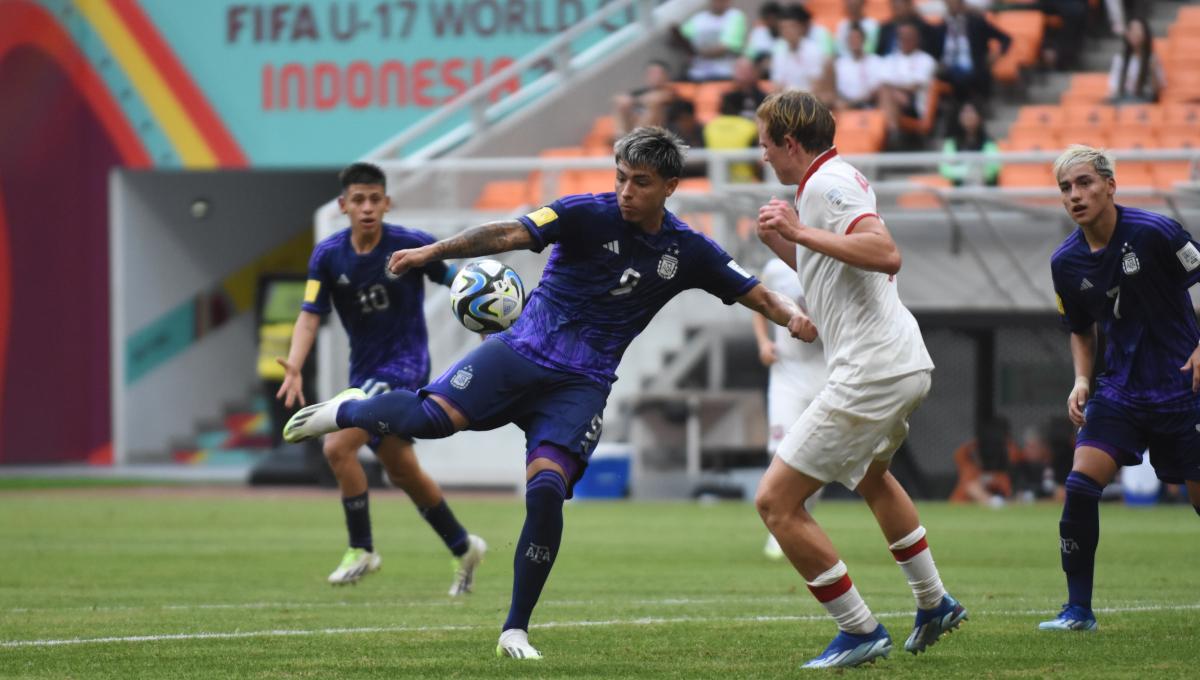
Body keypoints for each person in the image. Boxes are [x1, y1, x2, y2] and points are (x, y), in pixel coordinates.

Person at [284, 127, 814, 660]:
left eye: (641, 182)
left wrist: (793, 318)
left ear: (670, 186)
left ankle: (515, 629)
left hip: (582, 385)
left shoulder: (689, 250)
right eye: (621, 177)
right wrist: (433, 252)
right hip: (518, 352)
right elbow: (507, 234)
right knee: (427, 419)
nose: (626, 191)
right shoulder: (584, 212)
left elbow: (757, 292)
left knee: (544, 493)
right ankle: (345, 409)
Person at [753, 90, 966, 668]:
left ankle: (858, 629)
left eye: (768, 143)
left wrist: (796, 232)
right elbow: (841, 266)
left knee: (776, 503)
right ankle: (934, 600)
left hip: (871, 369)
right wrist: (787, 243)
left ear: (791, 143)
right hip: (900, 362)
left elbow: (884, 251)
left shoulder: (828, 183)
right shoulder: (823, 184)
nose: (764, 155)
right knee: (874, 479)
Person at [276, 162, 487, 591]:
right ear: (343, 206)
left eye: (375, 199)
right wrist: (295, 363)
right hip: (365, 370)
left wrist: (486, 314)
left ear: (387, 202)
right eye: (359, 200)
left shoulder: (409, 245)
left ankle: (363, 548)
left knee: (337, 445)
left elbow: (457, 282)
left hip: (404, 367)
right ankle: (463, 546)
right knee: (402, 471)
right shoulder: (328, 255)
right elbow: (310, 315)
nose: (368, 207)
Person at [1042, 145, 1200, 631]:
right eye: (1066, 187)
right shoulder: (1065, 263)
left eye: (1086, 182)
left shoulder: (1155, 232)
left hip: (1181, 386)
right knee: (1079, 484)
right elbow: (1079, 328)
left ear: (1111, 186)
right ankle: (1077, 610)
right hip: (1120, 388)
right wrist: (1082, 380)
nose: (1076, 195)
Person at [753, 256, 829, 559]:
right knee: (781, 452)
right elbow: (758, 302)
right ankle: (782, 528)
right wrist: (763, 343)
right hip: (787, 374)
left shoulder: (833, 261)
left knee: (817, 458)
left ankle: (797, 521)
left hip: (829, 374)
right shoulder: (774, 268)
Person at [949, 416, 1020, 505]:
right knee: (971, 482)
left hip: (990, 506)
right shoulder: (969, 463)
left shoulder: (1003, 474)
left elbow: (1016, 458)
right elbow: (971, 487)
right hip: (961, 507)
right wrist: (992, 501)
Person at [676, 0, 748, 81]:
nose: (718, 3)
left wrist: (697, 52)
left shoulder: (735, 16)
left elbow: (725, 48)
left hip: (724, 74)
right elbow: (682, 38)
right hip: (697, 74)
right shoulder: (699, 18)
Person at [938, 102, 1000, 186]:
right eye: (965, 112)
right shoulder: (952, 143)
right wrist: (968, 171)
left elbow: (993, 168)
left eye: (971, 112)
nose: (968, 116)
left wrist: (978, 174)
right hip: (960, 192)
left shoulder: (988, 142)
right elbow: (945, 170)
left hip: (984, 190)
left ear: (979, 117)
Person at [1107, 16, 1164, 104]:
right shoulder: (1120, 59)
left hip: (1144, 99)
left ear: (1145, 34)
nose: (1135, 33)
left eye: (1138, 30)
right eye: (1132, 30)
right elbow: (1114, 87)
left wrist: (1153, 71)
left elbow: (1158, 90)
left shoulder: (1152, 59)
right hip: (1124, 99)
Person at [613, 60, 677, 138]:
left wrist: (636, 101)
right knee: (622, 104)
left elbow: (659, 98)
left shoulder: (672, 91)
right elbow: (619, 98)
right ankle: (622, 137)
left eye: (658, 73)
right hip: (635, 126)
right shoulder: (640, 92)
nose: (655, 77)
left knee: (654, 105)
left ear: (666, 76)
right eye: (651, 73)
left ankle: (635, 139)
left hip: (663, 132)